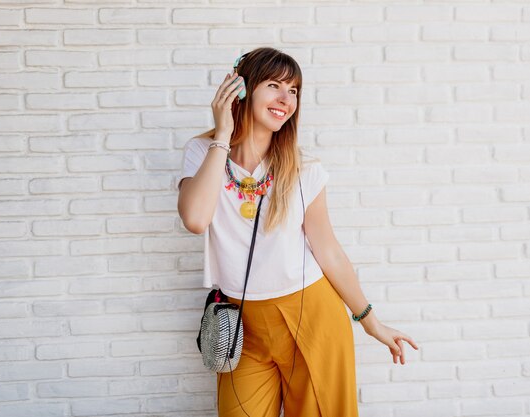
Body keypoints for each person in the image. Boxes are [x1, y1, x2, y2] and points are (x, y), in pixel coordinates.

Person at [177, 47, 418, 417]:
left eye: (293, 90)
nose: (285, 99)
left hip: (311, 316)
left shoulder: (303, 168)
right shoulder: (204, 151)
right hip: (242, 324)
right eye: (274, 85)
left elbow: (328, 250)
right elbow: (195, 219)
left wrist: (371, 322)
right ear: (241, 89)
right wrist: (223, 133)